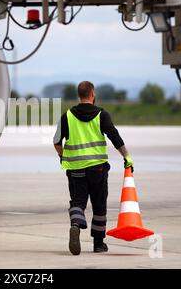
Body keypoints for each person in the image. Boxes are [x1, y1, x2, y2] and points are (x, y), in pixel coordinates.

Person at [53, 81, 134, 255]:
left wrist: (62, 156)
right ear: (92, 94)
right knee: (99, 205)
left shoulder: (66, 116)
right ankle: (98, 244)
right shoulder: (102, 115)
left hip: (75, 169)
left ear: (78, 95)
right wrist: (127, 157)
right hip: (98, 169)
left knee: (77, 202)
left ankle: (75, 225)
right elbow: (115, 137)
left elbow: (56, 141)